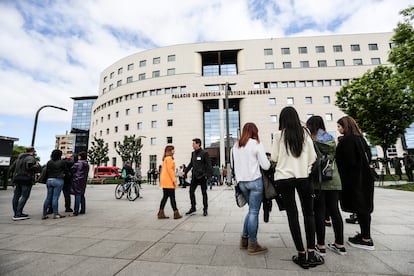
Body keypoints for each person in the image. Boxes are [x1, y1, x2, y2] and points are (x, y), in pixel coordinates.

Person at [271, 107, 323, 269]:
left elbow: (274, 158)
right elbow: (313, 158)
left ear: (282, 120)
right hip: (303, 178)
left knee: (292, 216)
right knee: (309, 214)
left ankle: (301, 254)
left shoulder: (279, 135)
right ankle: (311, 254)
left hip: (284, 179)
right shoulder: (305, 134)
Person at [306, 115, 346, 256]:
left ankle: (320, 245)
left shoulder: (311, 140)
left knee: (319, 212)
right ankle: (340, 244)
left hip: (318, 180)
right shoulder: (329, 138)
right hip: (333, 177)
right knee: (335, 211)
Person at [336, 116, 375, 251]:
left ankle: (365, 239)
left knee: (360, 207)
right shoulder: (360, 138)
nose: (338, 129)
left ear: (346, 126)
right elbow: (368, 156)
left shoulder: (347, 140)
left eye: (340, 126)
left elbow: (347, 161)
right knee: (364, 207)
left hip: (354, 179)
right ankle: (366, 236)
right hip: (365, 177)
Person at [231, 122, 270, 255]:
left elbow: (233, 165)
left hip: (242, 183)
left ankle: (244, 239)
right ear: (254, 132)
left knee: (251, 210)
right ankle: (253, 245)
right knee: (254, 212)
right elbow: (266, 166)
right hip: (255, 182)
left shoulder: (235, 146)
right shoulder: (256, 144)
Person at [9, 146, 41, 221]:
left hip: (17, 179)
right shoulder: (30, 158)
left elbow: (11, 168)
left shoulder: (18, 159)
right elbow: (30, 167)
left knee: (16, 196)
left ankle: (16, 213)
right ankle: (18, 213)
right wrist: (37, 167)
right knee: (24, 196)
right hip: (26, 179)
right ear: (32, 151)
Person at [182, 138, 213, 216]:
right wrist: (185, 172)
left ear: (198, 144)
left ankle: (205, 209)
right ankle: (193, 207)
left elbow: (209, 166)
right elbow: (190, 164)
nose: (192, 145)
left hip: (202, 177)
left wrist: (207, 175)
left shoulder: (204, 153)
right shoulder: (193, 153)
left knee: (204, 193)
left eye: (193, 143)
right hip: (195, 177)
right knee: (191, 192)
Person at [42, 149, 74, 219]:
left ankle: (44, 214)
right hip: (58, 180)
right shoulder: (62, 162)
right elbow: (66, 170)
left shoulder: (49, 162)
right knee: (55, 197)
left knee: (48, 197)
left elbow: (47, 171)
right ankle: (56, 214)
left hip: (49, 180)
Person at [157, 145, 182, 219]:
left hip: (165, 180)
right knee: (172, 197)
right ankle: (176, 213)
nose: (174, 151)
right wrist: (174, 181)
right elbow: (170, 171)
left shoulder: (165, 159)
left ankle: (161, 213)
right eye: (173, 150)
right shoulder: (169, 159)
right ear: (170, 151)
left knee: (165, 197)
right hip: (168, 181)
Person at [69, 151, 89, 216]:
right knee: (82, 195)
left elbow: (72, 170)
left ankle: (76, 211)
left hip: (77, 180)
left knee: (77, 195)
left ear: (80, 157)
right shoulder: (86, 164)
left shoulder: (77, 163)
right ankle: (83, 210)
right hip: (83, 181)